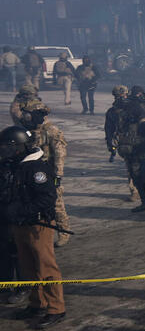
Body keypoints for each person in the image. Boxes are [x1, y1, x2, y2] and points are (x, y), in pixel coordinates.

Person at [0, 126, 66, 328]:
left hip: (38, 224)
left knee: (45, 266)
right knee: (28, 266)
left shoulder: (36, 168)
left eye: (7, 146)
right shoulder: (11, 166)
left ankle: (56, 308)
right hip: (20, 224)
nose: (3, 150)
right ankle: (37, 303)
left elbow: (47, 198)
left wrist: (20, 209)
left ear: (18, 147)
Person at [19, 100, 72, 247]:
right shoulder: (27, 131)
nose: (25, 118)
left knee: (56, 203)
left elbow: (60, 154)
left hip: (47, 173)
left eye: (28, 115)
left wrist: (58, 175)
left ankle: (64, 232)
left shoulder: (51, 130)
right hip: (30, 174)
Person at [115, 94, 145, 213]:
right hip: (132, 158)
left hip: (144, 158)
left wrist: (136, 149)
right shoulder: (125, 124)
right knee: (137, 180)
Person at [105, 85, 130, 170]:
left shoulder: (136, 108)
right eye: (117, 97)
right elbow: (109, 129)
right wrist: (110, 142)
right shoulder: (112, 111)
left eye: (122, 96)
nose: (120, 99)